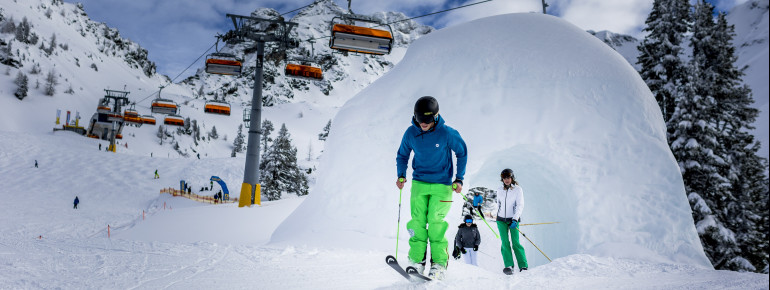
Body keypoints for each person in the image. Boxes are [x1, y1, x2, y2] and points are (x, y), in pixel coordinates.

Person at [396, 96, 467, 280]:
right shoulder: (411, 133)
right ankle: (417, 262)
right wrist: (401, 174)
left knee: (436, 223)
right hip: (419, 183)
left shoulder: (446, 133)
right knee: (417, 222)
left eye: (427, 120)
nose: (423, 123)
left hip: (442, 185)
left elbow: (462, 152)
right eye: (420, 119)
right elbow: (402, 155)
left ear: (435, 116)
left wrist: (459, 179)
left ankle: (439, 264)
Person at [496, 168, 528, 275]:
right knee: (505, 243)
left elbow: (520, 205)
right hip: (501, 220)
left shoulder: (518, 189)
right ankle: (509, 266)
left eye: (508, 177)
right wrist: (498, 216)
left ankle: (523, 265)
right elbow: (499, 204)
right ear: (502, 179)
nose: (506, 180)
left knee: (515, 243)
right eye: (504, 178)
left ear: (512, 178)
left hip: (513, 220)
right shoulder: (499, 189)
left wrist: (515, 219)